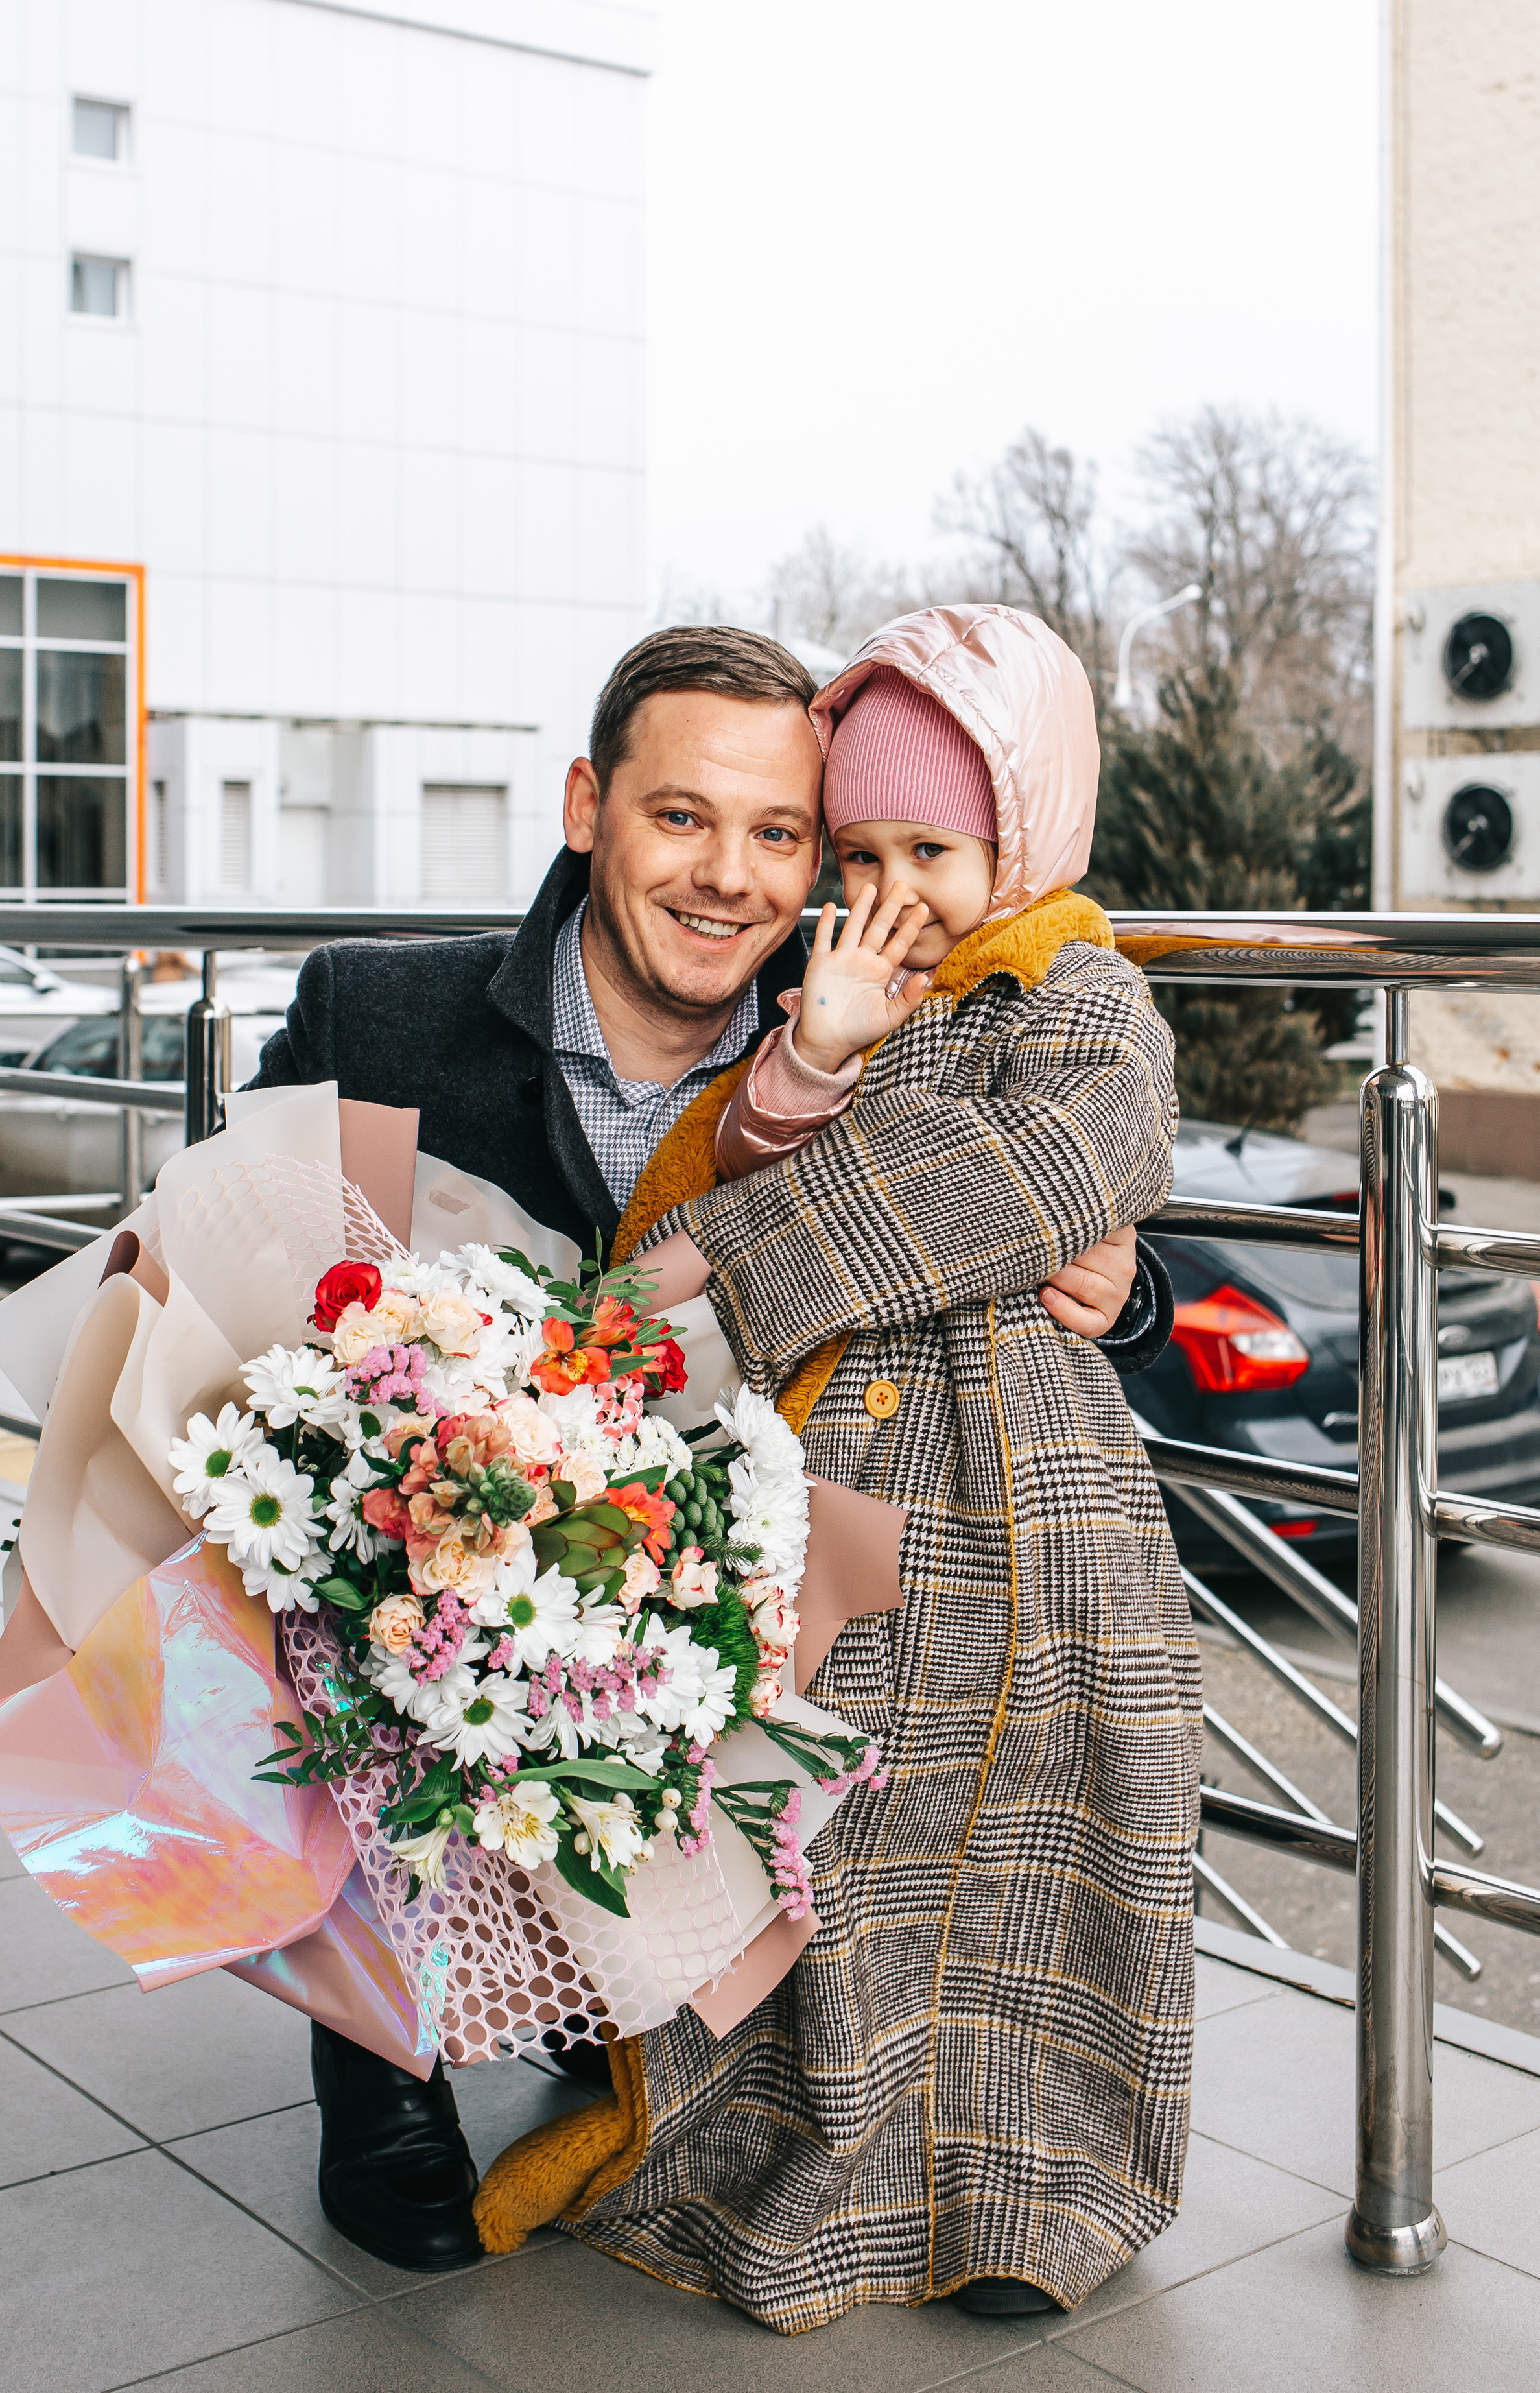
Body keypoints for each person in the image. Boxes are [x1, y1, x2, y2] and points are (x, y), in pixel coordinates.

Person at [244, 622, 1170, 2273]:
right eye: (680, 818)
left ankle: (616, 2005)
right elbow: (228, 1292)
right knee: (310, 1559)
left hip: (690, 1579)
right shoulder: (373, 1016)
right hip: (427, 1541)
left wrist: (1125, 1285)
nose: (730, 878)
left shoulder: (860, 1025)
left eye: (781, 834)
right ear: (587, 804)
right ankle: (376, 2054)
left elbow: (998, 1184)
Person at [512, 606, 1200, 2329]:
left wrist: (725, 1271)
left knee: (1036, 1861)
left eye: (939, 851)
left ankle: (1024, 2200)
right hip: (823, 1505)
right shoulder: (846, 994)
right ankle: (787, 2166)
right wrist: (812, 1062)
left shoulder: (1082, 992)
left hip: (1029, 1515)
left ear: (1025, 837)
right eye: (867, 849)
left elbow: (1059, 1164)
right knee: (828, 1854)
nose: (896, 889)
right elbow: (689, 1184)